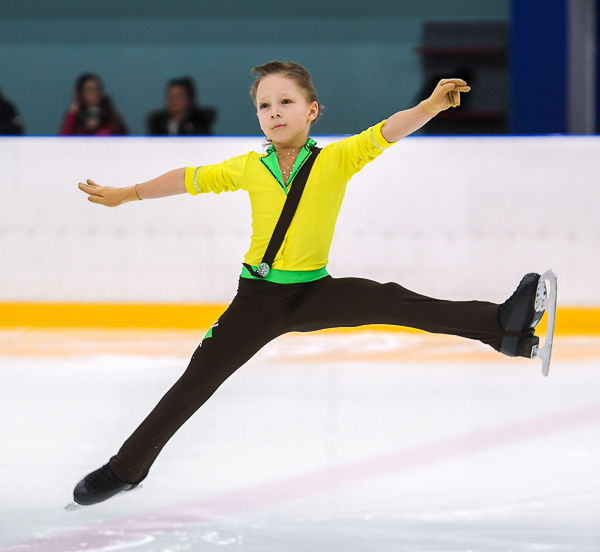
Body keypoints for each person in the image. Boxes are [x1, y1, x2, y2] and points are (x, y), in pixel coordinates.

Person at [72, 60, 549, 506]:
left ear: (312, 111)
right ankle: (126, 468)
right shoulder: (249, 168)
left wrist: (428, 107)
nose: (275, 112)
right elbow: (188, 178)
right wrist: (127, 194)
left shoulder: (336, 159)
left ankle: (503, 327)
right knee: (196, 380)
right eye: (265, 105)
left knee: (391, 300)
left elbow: (386, 132)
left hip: (314, 292)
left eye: (286, 102)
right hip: (257, 300)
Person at [59, 73, 128, 136]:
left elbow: (124, 138)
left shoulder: (111, 117)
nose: (95, 93)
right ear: (81, 93)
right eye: (90, 90)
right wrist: (73, 112)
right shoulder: (75, 117)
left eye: (98, 89)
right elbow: (64, 140)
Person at [146, 76, 216, 136]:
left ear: (189, 98)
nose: (174, 100)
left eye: (179, 96)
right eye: (170, 96)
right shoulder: (158, 123)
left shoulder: (200, 122)